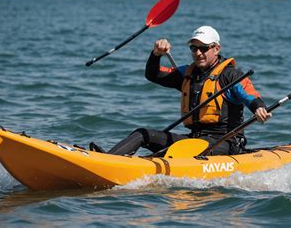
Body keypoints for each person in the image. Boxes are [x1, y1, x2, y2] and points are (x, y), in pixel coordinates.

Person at [105, 26, 271, 156]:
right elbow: (153, 75)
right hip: (194, 139)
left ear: (216, 49)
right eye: (194, 48)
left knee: (187, 148)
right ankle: (108, 160)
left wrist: (259, 108)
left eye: (204, 48)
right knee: (143, 134)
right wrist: (156, 55)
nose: (198, 53)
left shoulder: (230, 75)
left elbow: (250, 95)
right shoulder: (187, 73)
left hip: (226, 142)